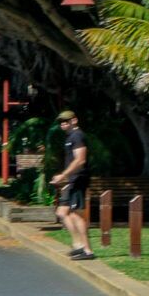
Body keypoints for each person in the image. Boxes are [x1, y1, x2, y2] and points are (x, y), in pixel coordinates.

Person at [51, 109, 94, 259]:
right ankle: (78, 245)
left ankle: (87, 250)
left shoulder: (77, 136)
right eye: (61, 122)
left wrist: (64, 175)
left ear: (74, 121)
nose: (63, 124)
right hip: (71, 180)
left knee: (77, 215)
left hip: (78, 179)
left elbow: (80, 160)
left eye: (66, 121)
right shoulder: (70, 137)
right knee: (62, 212)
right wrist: (64, 178)